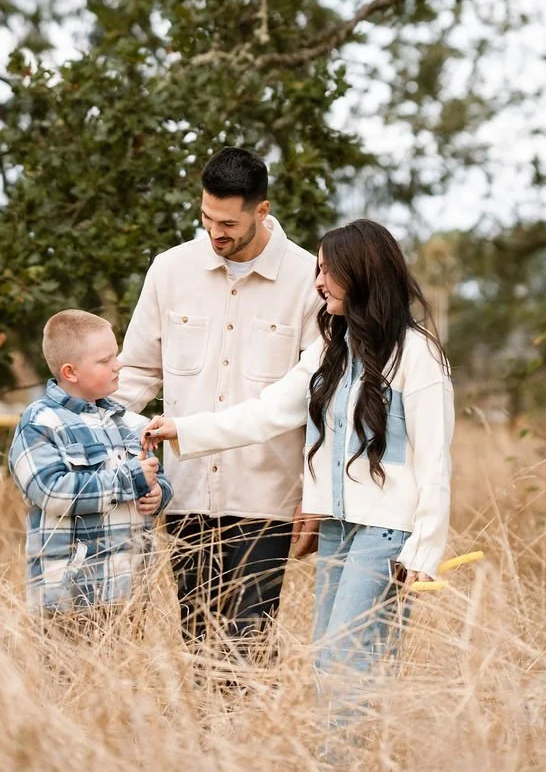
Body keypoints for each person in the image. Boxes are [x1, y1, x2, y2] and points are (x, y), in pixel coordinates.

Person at [142, 219, 453, 725]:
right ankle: (346, 752)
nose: (319, 282)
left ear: (361, 274)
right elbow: (265, 412)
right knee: (328, 660)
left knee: (348, 660)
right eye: (318, 271)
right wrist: (182, 428)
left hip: (384, 533)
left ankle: (342, 757)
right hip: (336, 528)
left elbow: (436, 458)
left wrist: (426, 547)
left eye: (328, 271)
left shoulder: (418, 356)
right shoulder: (331, 351)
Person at [115, 146, 320, 655]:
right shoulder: (169, 270)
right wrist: (84, 434)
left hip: (266, 500)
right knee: (198, 641)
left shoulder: (308, 279)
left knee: (247, 644)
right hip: (184, 494)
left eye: (228, 223)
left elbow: (321, 397)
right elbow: (135, 373)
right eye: (207, 217)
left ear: (262, 210)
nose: (215, 232)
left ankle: (248, 709)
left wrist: (317, 495)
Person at [7, 309, 172, 617]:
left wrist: (159, 492)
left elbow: (153, 475)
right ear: (70, 372)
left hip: (131, 590)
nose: (118, 365)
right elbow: (52, 491)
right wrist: (128, 481)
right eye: (105, 360)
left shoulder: (128, 422)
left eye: (116, 356)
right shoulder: (42, 422)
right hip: (69, 595)